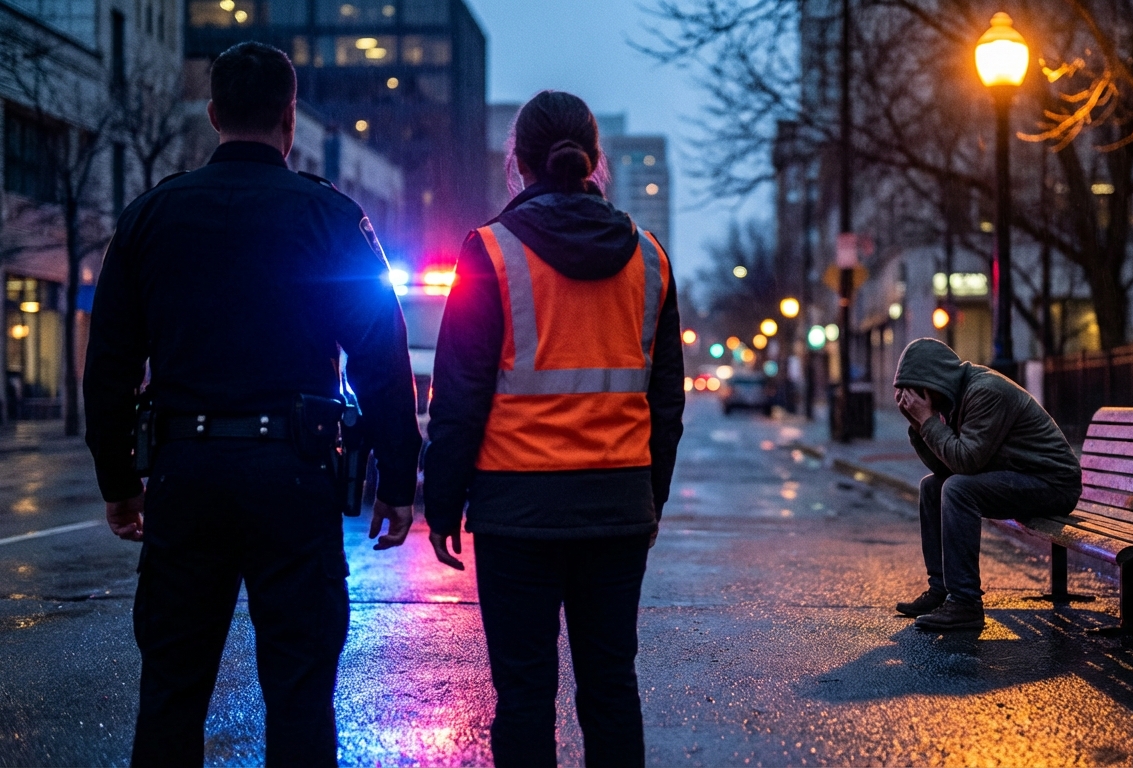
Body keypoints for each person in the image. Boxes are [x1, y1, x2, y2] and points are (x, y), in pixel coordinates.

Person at [83, 42, 422, 767]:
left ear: (212, 115)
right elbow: (381, 354)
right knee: (300, 694)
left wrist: (119, 483)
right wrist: (398, 480)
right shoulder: (330, 216)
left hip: (185, 472)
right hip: (293, 473)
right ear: (289, 118)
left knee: (171, 692)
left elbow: (107, 364)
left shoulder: (150, 216)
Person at [421, 90, 685, 767]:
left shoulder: (489, 252)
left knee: (525, 696)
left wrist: (443, 502)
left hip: (517, 514)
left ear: (517, 163)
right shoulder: (650, 258)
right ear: (597, 162)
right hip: (616, 510)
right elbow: (666, 403)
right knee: (611, 690)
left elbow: (460, 394)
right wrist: (650, 496)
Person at [891, 339, 1082, 632]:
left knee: (957, 489)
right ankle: (941, 590)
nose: (913, 399)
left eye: (916, 392)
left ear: (932, 384)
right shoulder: (957, 397)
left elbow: (965, 464)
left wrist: (927, 420)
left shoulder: (985, 391)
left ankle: (965, 603)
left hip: (1052, 483)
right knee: (933, 487)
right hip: (1019, 476)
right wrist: (918, 425)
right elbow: (947, 467)